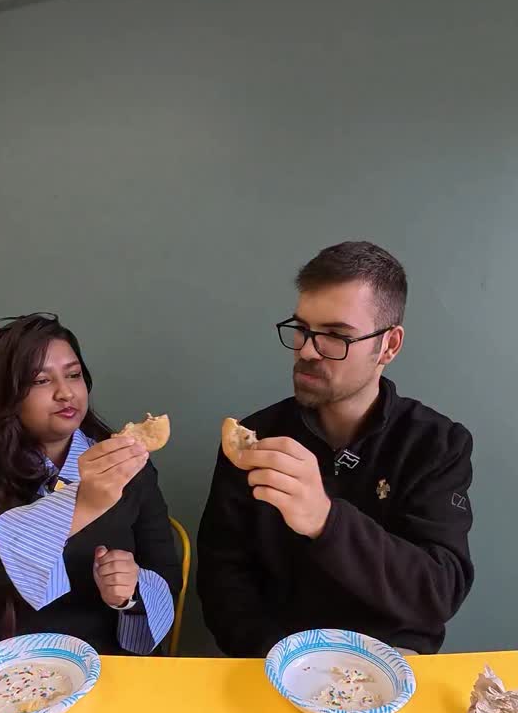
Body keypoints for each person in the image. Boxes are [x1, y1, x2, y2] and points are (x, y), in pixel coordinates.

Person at [197, 241, 474, 657]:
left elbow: (438, 591)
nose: (307, 350)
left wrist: (326, 521)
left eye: (336, 336)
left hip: (394, 666)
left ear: (389, 346)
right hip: (272, 664)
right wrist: (275, 658)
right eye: (303, 329)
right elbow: (223, 576)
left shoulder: (436, 444)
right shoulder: (253, 437)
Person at [0, 313, 181, 652]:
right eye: (40, 381)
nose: (66, 393)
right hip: (8, 653)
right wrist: (81, 505)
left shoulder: (126, 464)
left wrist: (131, 592)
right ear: (9, 396)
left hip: (107, 654)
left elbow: (166, 572)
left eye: (74, 375)